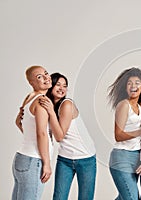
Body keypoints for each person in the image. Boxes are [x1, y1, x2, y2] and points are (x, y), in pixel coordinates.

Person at [38, 72, 97, 200]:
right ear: (51, 86)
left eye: (65, 86)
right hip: (64, 158)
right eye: (58, 85)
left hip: (85, 158)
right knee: (59, 197)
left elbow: (59, 137)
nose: (62, 89)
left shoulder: (67, 104)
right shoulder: (50, 106)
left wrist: (51, 113)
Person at [107, 67, 141, 200]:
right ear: (125, 88)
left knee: (124, 197)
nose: (133, 86)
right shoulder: (123, 105)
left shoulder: (140, 106)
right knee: (132, 197)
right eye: (129, 83)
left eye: (137, 83)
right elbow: (118, 135)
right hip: (122, 157)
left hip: (136, 158)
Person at [12, 65, 53, 200]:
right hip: (33, 162)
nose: (46, 78)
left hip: (21, 159)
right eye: (39, 77)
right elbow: (41, 134)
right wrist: (46, 163)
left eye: (46, 73)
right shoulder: (42, 101)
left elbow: (19, 121)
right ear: (32, 83)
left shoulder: (29, 97)